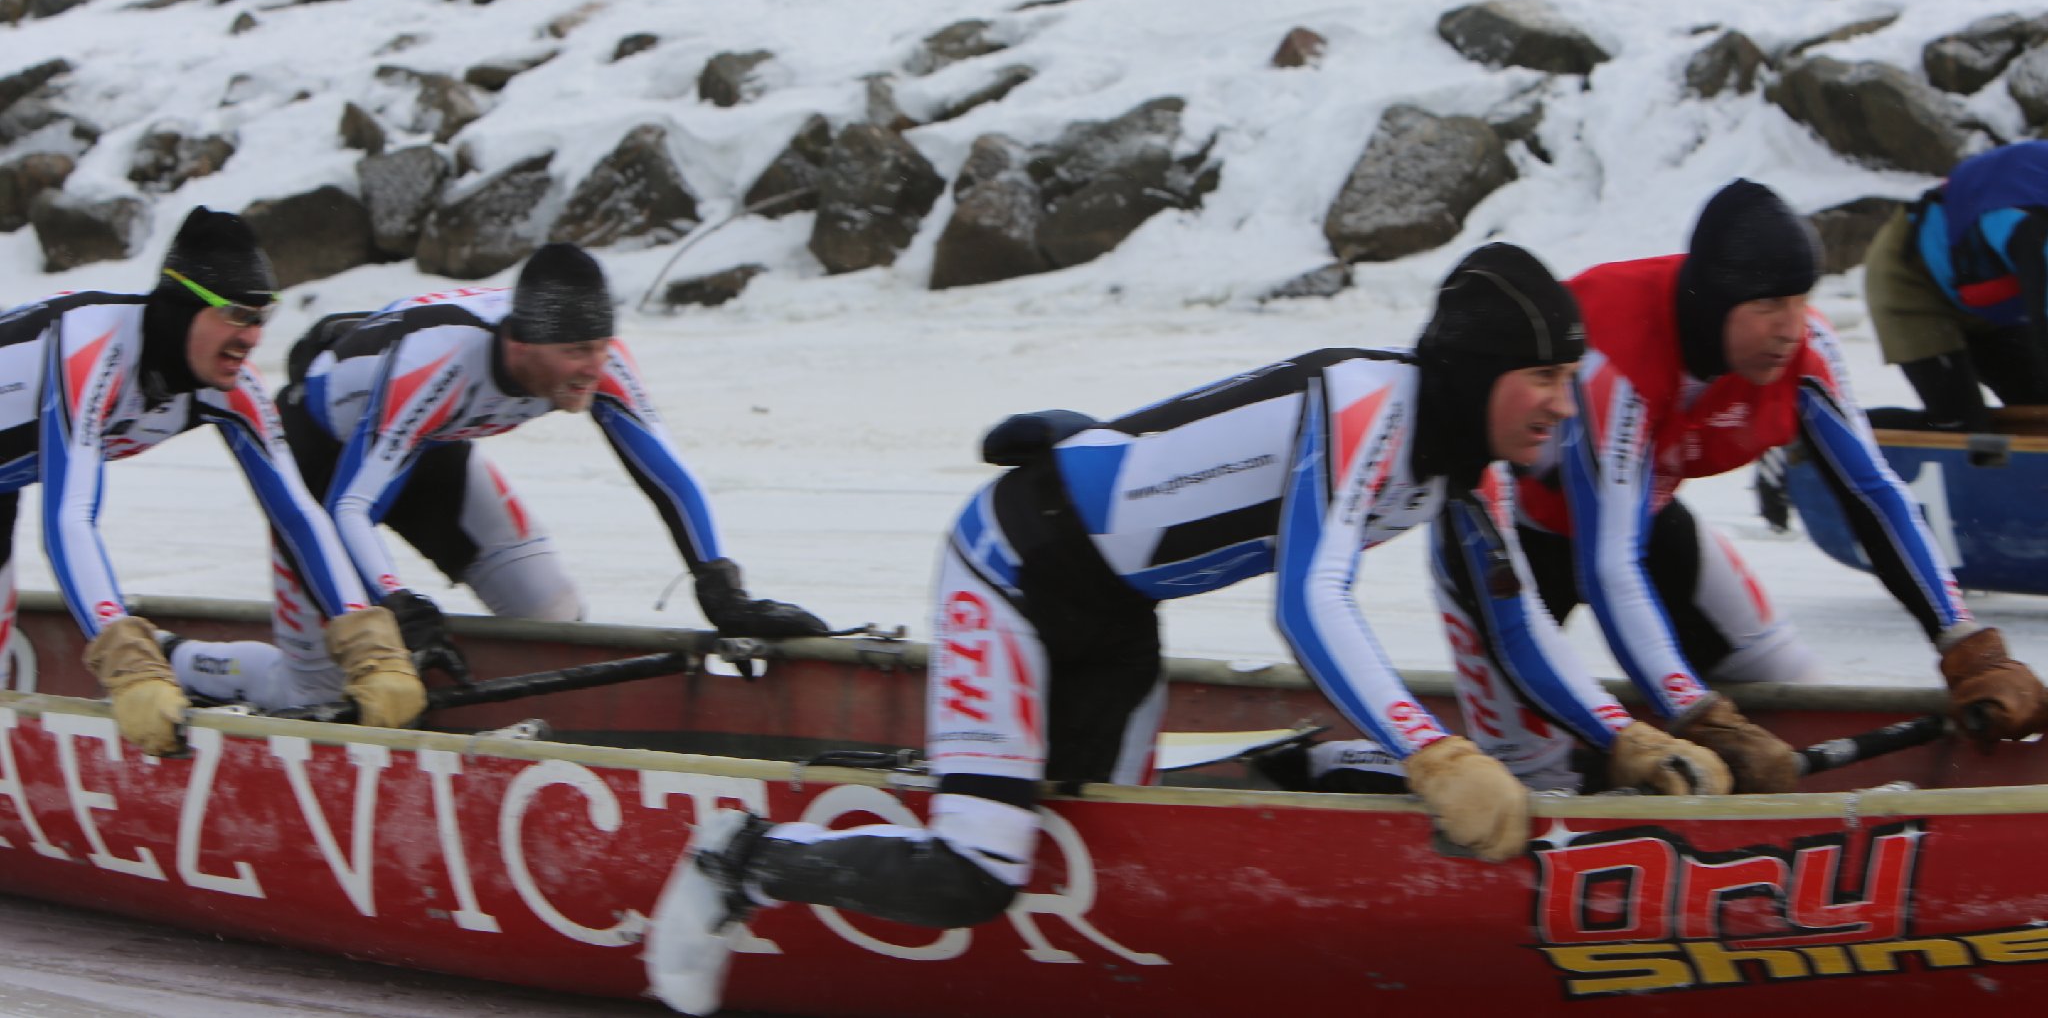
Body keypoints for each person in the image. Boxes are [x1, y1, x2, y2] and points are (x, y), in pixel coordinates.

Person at [644, 244, 1732, 1014]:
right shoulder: (1367, 406)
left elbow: (1518, 622)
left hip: (1117, 612)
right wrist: (1433, 751)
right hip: (1011, 565)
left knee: (1117, 855)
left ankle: (1280, 772)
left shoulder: (1464, 469)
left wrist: (1624, 736)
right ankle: (743, 859)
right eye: (1543, 376)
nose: (1563, 403)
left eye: (1569, 377)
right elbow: (1310, 601)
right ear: (1479, 372)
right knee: (978, 873)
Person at [1514, 179, 2048, 794]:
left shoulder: (1805, 348)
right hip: (1519, 544)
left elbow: (1873, 494)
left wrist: (1967, 644)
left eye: (1800, 299)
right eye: (1769, 304)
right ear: (1714, 303)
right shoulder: (1621, 357)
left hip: (1645, 521)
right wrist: (1696, 716)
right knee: (1522, 767)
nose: (1791, 327)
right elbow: (1606, 566)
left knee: (1792, 691)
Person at [0, 207, 424, 754]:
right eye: (237, 315)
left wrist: (368, 641)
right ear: (182, 308)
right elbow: (70, 518)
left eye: (263, 317)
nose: (253, 338)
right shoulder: (90, 346)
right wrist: (127, 660)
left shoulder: (232, 385)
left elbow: (298, 515)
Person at [280, 243, 830, 643]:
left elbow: (669, 475)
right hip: (321, 456)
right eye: (575, 352)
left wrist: (721, 586)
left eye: (601, 346)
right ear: (520, 344)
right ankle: (232, 672)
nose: (594, 367)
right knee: (343, 669)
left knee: (552, 612)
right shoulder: (437, 362)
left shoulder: (597, 360)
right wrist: (395, 601)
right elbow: (350, 505)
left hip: (427, 446)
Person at [1863, 141, 2048, 432]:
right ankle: (1821, 431)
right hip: (1912, 280)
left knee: (2037, 406)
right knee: (1960, 425)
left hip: (1986, 290)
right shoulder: (2028, 222)